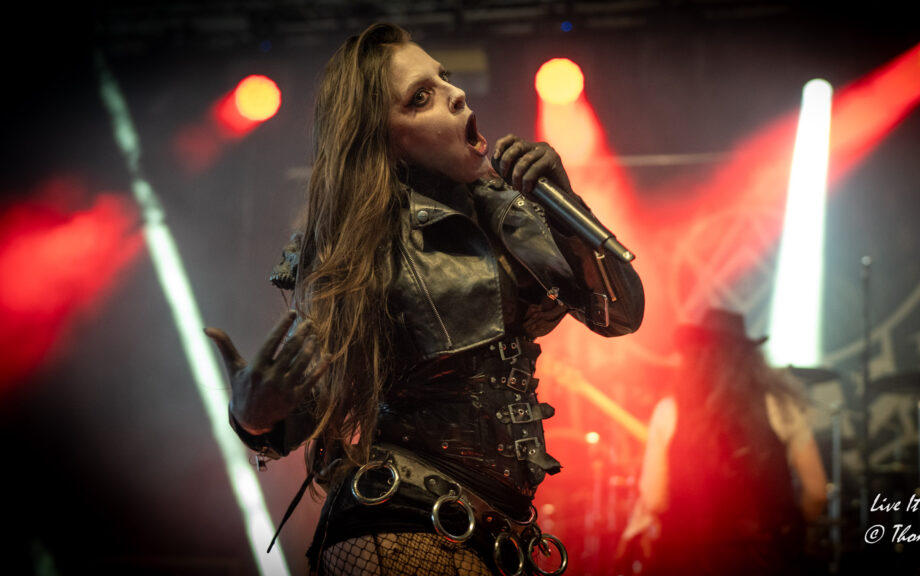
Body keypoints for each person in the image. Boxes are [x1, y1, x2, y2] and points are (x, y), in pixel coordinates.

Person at [204, 22, 644, 576]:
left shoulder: (510, 210)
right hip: (405, 523)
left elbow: (620, 315)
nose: (456, 94)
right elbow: (318, 399)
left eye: (445, 79)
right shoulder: (360, 245)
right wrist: (252, 418)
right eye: (420, 98)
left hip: (496, 529)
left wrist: (568, 203)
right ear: (384, 140)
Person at [618, 308, 826, 575]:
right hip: (765, 559)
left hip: (687, 561)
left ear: (694, 355)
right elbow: (817, 492)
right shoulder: (780, 407)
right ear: (749, 358)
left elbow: (655, 499)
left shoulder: (669, 411)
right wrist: (792, 530)